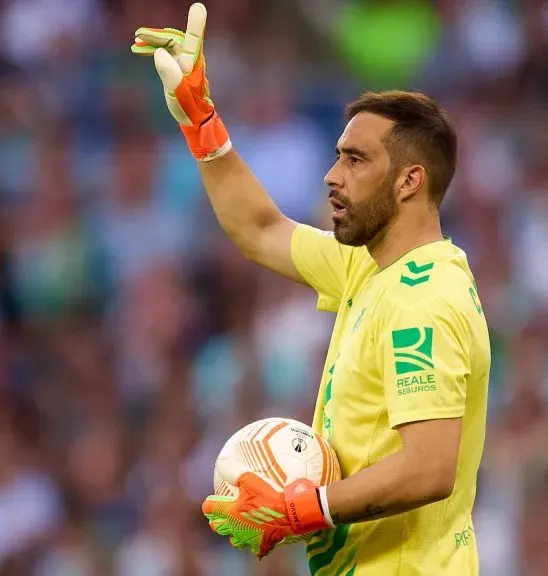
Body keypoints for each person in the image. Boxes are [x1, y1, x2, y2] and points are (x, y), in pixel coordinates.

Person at [132, 4, 490, 575]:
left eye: (355, 160)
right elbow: (261, 230)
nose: (332, 175)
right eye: (337, 156)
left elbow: (429, 468)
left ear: (410, 181)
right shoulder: (369, 266)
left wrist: (303, 508)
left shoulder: (422, 299)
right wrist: (202, 124)